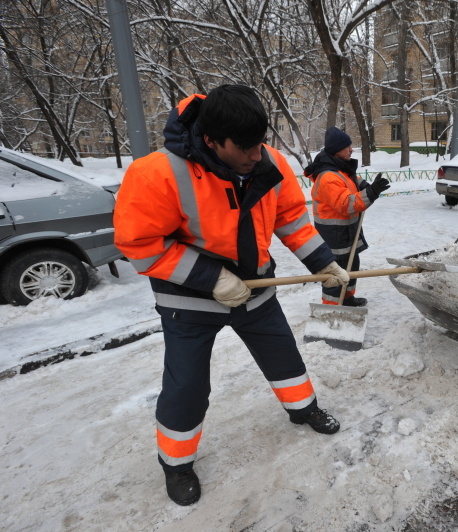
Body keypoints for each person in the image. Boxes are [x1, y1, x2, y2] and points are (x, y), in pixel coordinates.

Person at [113, 85, 351, 507]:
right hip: (188, 301)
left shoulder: (269, 160)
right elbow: (141, 244)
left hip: (256, 291)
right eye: (244, 147)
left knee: (284, 356)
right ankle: (176, 463)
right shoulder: (157, 173)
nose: (256, 155)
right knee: (187, 385)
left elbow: (291, 217)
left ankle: (303, 408)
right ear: (211, 139)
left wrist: (321, 261)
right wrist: (211, 278)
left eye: (260, 142)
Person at [303, 127, 391, 306]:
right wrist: (371, 193)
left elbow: (352, 182)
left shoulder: (341, 169)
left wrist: (368, 186)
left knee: (351, 267)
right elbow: (347, 205)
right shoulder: (328, 177)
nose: (351, 150)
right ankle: (331, 309)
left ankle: (347, 298)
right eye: (347, 147)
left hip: (346, 234)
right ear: (336, 150)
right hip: (334, 237)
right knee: (335, 276)